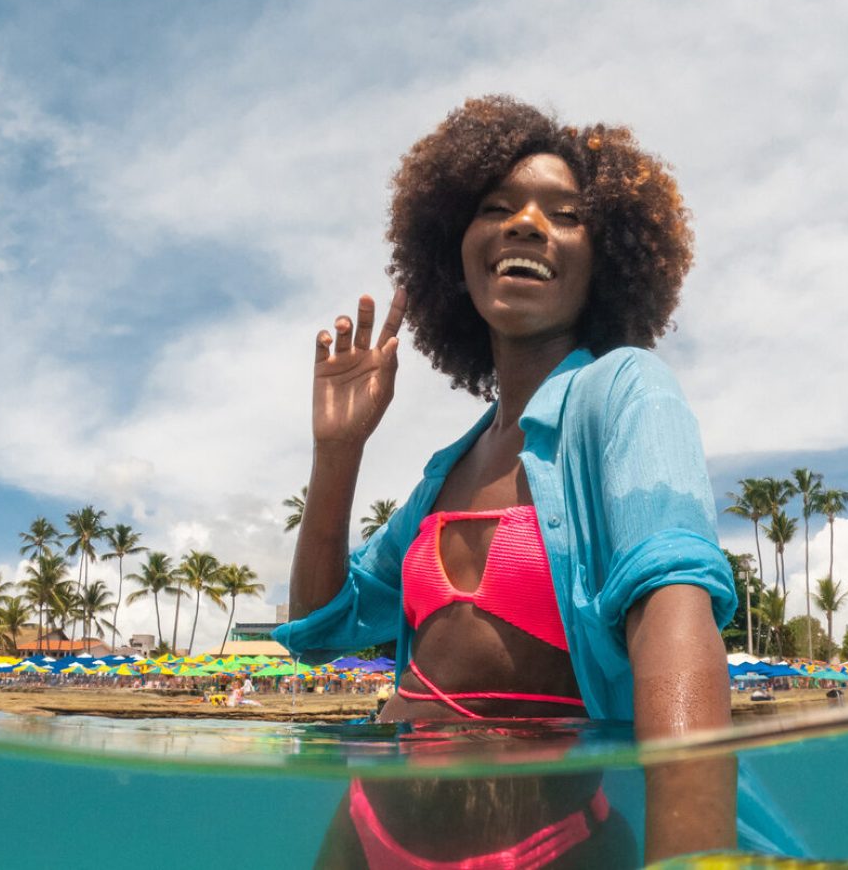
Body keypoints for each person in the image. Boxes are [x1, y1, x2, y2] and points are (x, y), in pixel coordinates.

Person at [278, 96, 745, 866]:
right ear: (453, 250)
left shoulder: (627, 392)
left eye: (565, 215)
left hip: (553, 845)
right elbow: (319, 630)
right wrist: (339, 452)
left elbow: (675, 612)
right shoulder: (445, 472)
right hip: (365, 830)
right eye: (497, 207)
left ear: (608, 262)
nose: (527, 224)